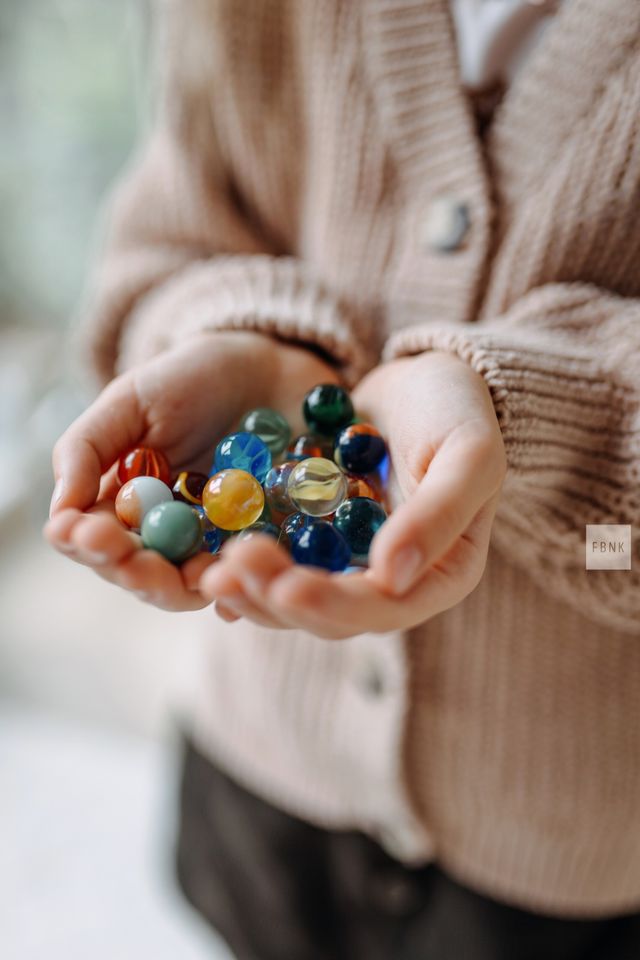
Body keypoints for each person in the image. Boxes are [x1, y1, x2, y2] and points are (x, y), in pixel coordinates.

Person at [45, 1, 640, 957]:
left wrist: (547, 437)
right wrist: (232, 336)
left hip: (572, 869)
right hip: (269, 768)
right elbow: (164, 249)